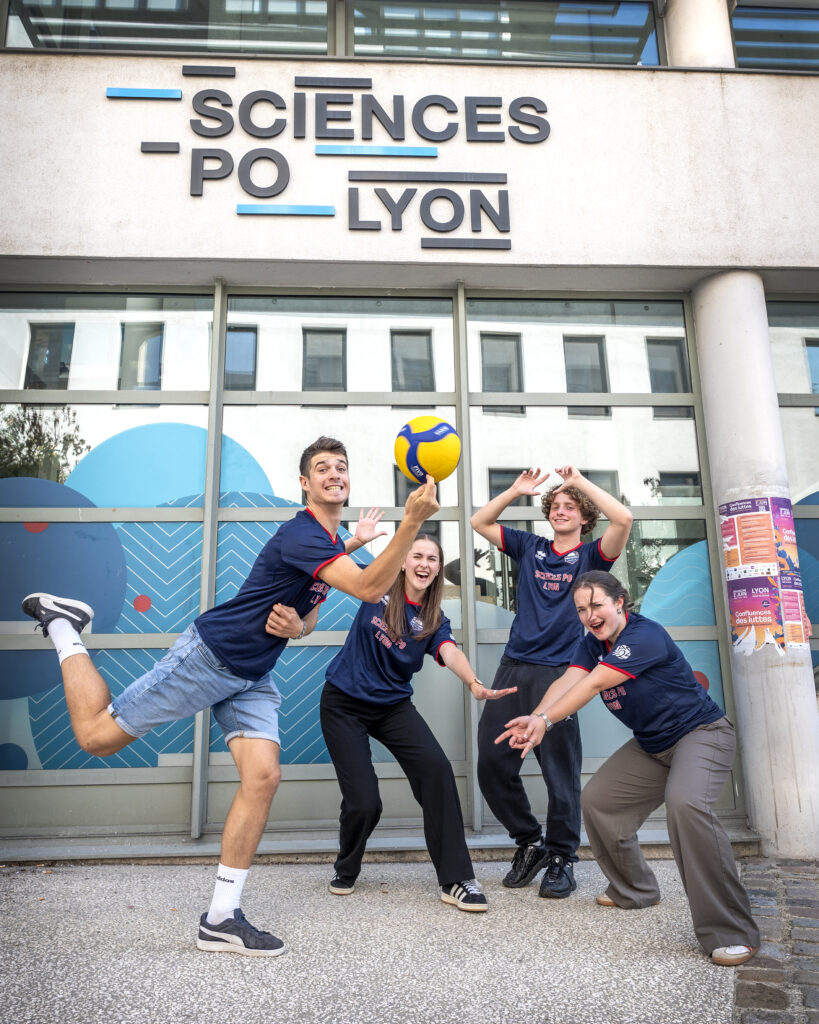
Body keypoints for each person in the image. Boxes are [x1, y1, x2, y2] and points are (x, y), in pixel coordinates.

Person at [21, 436, 439, 958]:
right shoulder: (302, 533)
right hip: (211, 658)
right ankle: (64, 626)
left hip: (253, 674)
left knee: (263, 777)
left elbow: (307, 615)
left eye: (342, 466)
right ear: (305, 484)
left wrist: (301, 624)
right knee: (95, 736)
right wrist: (412, 522)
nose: (335, 473)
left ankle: (220, 917)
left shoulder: (327, 545)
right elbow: (373, 589)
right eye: (322, 468)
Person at [496, 570, 761, 967]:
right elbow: (569, 680)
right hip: (653, 746)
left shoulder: (644, 636)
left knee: (686, 805)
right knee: (599, 801)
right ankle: (635, 888)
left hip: (701, 734)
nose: (590, 616)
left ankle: (732, 930)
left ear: (620, 602)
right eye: (582, 609)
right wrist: (535, 716)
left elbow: (589, 687)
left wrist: (545, 723)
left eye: (597, 605)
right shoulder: (592, 644)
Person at [320, 532, 517, 912]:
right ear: (404, 560)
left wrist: (474, 682)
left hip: (392, 707)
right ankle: (346, 866)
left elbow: (448, 650)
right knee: (365, 802)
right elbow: (327, 567)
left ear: (438, 569)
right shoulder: (377, 583)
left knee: (438, 772)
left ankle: (456, 879)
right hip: (343, 703)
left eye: (432, 558)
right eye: (418, 556)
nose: (424, 564)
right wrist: (355, 541)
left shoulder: (433, 618)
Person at [470, 466, 633, 899]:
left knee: (560, 774)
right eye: (555, 505)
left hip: (563, 674)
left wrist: (577, 482)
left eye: (570, 506)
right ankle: (529, 841)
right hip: (514, 666)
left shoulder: (593, 556)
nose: (561, 510)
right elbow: (479, 522)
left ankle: (561, 856)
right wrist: (515, 490)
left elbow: (625, 520)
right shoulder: (530, 547)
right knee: (491, 761)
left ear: (583, 516)